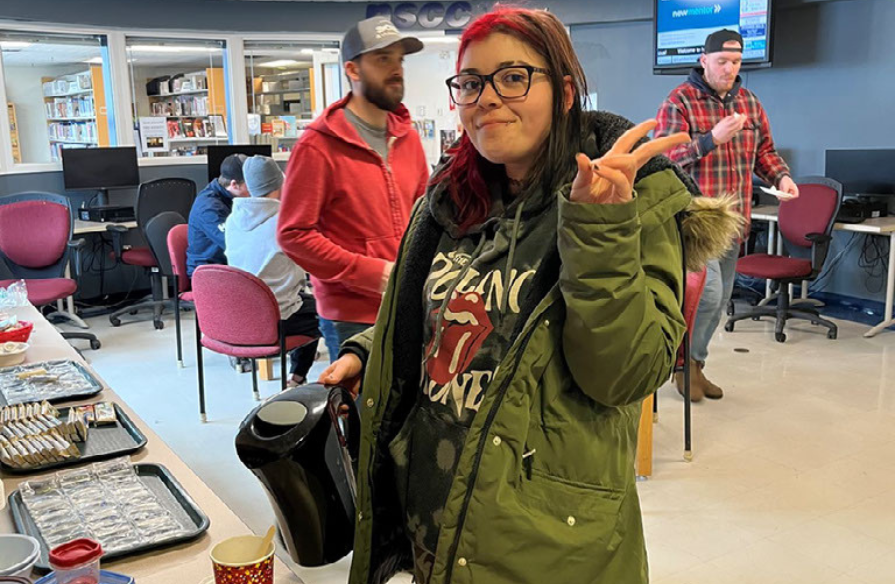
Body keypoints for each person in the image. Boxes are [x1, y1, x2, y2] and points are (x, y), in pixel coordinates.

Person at [318, 8, 740, 584]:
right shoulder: (451, 199)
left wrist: (600, 229)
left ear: (564, 91)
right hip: (436, 520)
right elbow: (466, 314)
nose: (486, 98)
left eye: (513, 77)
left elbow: (625, 375)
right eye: (470, 83)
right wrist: (373, 349)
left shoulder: (627, 199)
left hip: (539, 539)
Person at [655, 29, 798, 402]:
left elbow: (765, 151)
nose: (730, 69)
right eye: (722, 61)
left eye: (736, 62)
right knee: (708, 294)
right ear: (704, 60)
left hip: (736, 218)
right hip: (696, 221)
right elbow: (664, 157)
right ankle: (681, 365)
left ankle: (696, 365)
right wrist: (710, 139)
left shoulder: (749, 102)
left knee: (719, 300)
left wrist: (781, 176)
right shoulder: (680, 101)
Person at [277, 16, 429, 363]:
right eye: (382, 59)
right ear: (353, 70)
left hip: (410, 302)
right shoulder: (318, 146)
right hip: (351, 316)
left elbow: (424, 217)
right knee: (363, 415)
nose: (396, 70)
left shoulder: (408, 138)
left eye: (399, 59)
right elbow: (293, 235)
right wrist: (374, 274)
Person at [224, 156, 320, 385]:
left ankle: (296, 379)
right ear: (281, 183)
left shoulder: (232, 220)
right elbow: (315, 264)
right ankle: (305, 380)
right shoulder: (285, 223)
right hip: (276, 317)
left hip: (240, 316)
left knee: (308, 303)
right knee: (328, 312)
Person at [186, 153, 249, 277]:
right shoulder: (209, 208)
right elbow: (233, 243)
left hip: (228, 267)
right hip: (208, 273)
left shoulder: (233, 197)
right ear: (234, 184)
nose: (253, 190)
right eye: (249, 185)